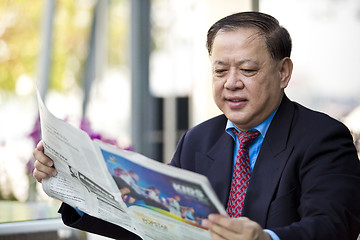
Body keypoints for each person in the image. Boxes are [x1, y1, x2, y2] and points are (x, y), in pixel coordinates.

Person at [33, 11, 360, 240]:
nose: (231, 83)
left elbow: (333, 227)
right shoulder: (199, 139)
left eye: (247, 69)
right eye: (220, 71)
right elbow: (150, 222)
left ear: (283, 72)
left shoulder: (322, 138)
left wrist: (267, 239)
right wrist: (71, 186)